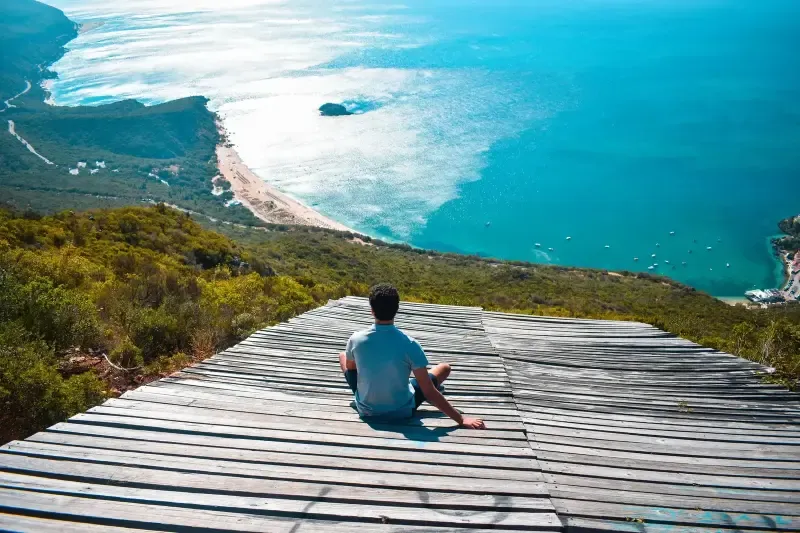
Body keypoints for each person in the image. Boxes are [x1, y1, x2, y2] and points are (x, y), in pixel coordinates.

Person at [339, 284, 486, 429]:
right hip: (402, 411)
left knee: (343, 357)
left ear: (372, 310)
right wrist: (461, 419)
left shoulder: (356, 339)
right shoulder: (410, 344)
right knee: (444, 368)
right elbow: (428, 391)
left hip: (367, 410)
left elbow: (352, 371)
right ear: (397, 309)